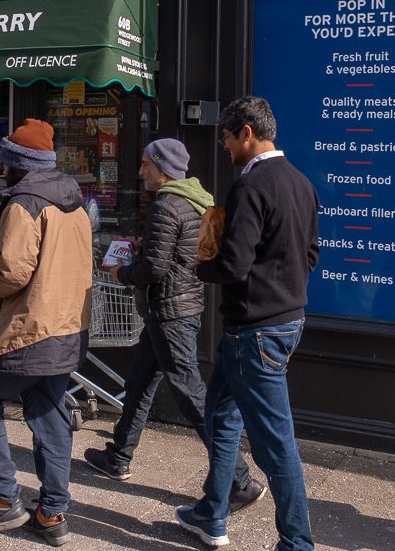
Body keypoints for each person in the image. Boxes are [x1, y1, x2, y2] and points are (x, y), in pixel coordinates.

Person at [176, 96, 324, 551]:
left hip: (254, 331)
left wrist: (201, 267)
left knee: (275, 443)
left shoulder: (250, 185)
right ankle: (211, 513)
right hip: (282, 322)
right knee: (220, 415)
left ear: (246, 133)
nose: (223, 146)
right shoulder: (301, 182)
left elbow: (234, 263)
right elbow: (311, 254)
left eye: (225, 136)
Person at [84, 137, 264, 510]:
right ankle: (119, 455)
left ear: (162, 168)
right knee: (139, 383)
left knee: (191, 395)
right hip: (180, 307)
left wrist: (122, 273)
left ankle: (240, 480)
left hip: (169, 312)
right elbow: (184, 254)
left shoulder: (165, 205)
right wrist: (144, 251)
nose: (140, 171)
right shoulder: (196, 199)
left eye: (145, 164)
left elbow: (155, 269)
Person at [0, 118, 92, 548]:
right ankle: (52, 513)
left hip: (28, 329)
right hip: (66, 327)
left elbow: (8, 275)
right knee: (49, 412)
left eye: (5, 162)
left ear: (19, 164)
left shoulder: (23, 204)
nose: (2, 169)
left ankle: (2, 499)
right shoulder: (73, 202)